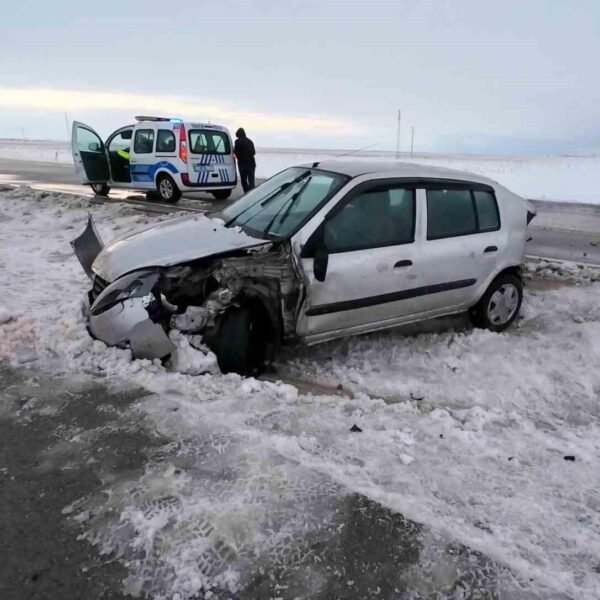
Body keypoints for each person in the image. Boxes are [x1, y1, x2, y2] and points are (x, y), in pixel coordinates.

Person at [234, 127, 256, 193]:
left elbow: (236, 152)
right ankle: (252, 194)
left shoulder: (237, 141)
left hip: (242, 164)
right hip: (251, 164)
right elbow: (254, 152)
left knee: (244, 181)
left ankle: (246, 194)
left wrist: (238, 156)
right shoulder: (250, 141)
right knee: (251, 181)